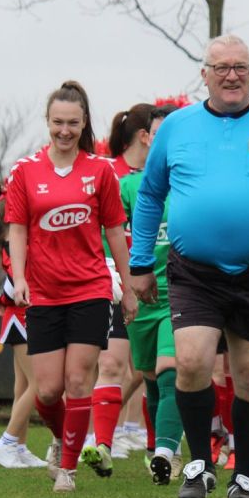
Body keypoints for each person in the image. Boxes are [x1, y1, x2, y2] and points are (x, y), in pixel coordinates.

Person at [129, 34, 249, 498]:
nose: (231, 75)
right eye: (221, 68)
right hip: (194, 271)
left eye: (240, 67)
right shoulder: (176, 127)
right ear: (205, 75)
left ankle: (246, 476)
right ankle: (198, 466)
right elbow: (151, 194)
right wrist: (138, 263)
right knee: (192, 362)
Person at [5, 80, 138, 493]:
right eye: (57, 122)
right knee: (46, 391)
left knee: (79, 382)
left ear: (84, 125)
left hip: (90, 290)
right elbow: (17, 229)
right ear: (47, 122)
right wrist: (21, 278)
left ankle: (67, 470)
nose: (65, 130)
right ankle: (65, 439)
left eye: (73, 123)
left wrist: (128, 287)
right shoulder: (25, 171)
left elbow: (116, 233)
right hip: (43, 293)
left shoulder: (100, 172)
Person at [82, 102, 154, 477]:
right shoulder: (108, 172)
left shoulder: (160, 176)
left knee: (148, 368)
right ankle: (96, 438)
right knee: (109, 363)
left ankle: (147, 438)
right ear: (145, 136)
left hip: (155, 286)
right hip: (111, 280)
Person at [120, 103, 186, 485]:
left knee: (168, 369)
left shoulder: (192, 187)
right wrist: (118, 277)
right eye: (159, 136)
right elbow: (108, 235)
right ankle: (160, 446)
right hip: (140, 296)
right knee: (147, 375)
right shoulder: (129, 187)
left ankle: (166, 451)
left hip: (180, 294)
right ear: (148, 139)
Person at [0, 182, 49, 469]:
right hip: (22, 318)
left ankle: (18, 446)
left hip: (18, 316)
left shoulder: (12, 236)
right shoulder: (15, 238)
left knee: (22, 383)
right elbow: (15, 278)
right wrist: (4, 298)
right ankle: (7, 441)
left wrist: (2, 299)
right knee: (40, 382)